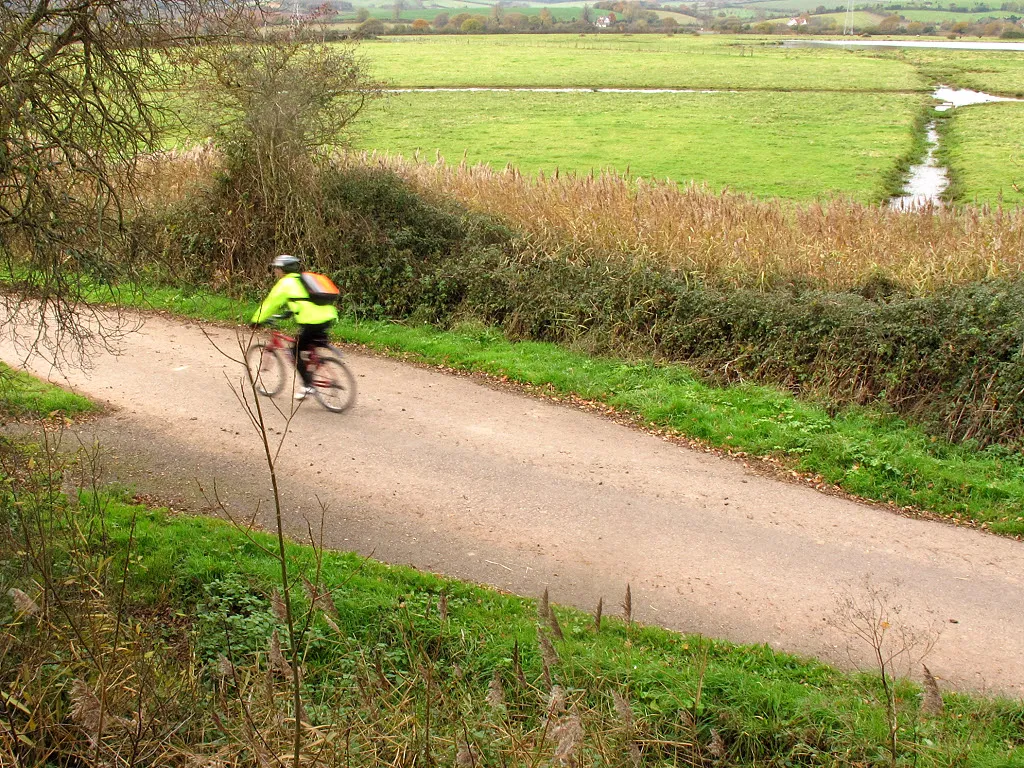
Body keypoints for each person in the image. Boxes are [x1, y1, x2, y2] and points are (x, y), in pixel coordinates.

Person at [251, 254, 338, 400]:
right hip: (328, 318)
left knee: (294, 352)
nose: (275, 272)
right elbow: (305, 301)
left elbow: (270, 304)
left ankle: (307, 386)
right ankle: (315, 362)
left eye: (277, 269)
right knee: (308, 345)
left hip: (312, 322)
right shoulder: (304, 279)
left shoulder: (285, 284)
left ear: (283, 270)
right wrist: (289, 312)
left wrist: (256, 320)